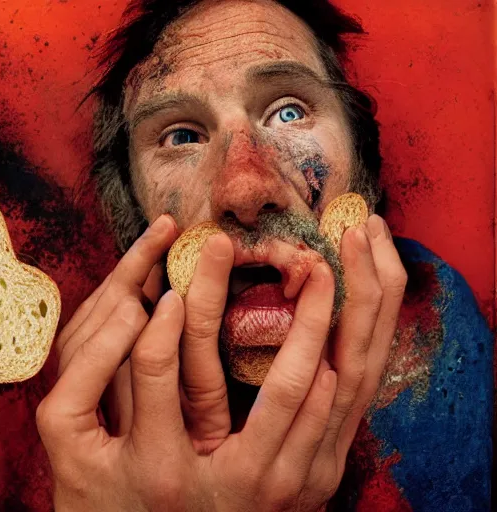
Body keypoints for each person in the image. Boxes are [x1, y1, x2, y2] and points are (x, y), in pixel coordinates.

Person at [37, 0, 492, 509]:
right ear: (134, 215)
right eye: (181, 136)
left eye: (289, 111)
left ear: (361, 168)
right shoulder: (82, 415)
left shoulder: (437, 317)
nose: (245, 190)